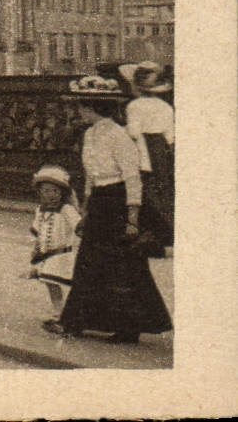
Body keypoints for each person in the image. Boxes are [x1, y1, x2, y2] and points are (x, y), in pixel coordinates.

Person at [49, 77, 172, 343]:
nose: (79, 111)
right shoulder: (90, 134)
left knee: (122, 265)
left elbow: (132, 178)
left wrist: (132, 217)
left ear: (93, 107)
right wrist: (85, 205)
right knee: (90, 263)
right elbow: (91, 175)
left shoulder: (119, 136)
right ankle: (78, 321)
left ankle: (129, 328)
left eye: (82, 106)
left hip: (118, 201)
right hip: (100, 203)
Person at [121, 62, 174, 248]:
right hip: (162, 151)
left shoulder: (135, 106)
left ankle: (145, 232)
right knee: (162, 190)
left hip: (143, 149)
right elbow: (170, 136)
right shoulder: (166, 107)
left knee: (142, 189)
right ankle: (165, 232)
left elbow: (134, 132)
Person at [25, 165, 82, 322]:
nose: (52, 195)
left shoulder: (66, 209)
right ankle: (59, 312)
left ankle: (65, 312)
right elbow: (37, 231)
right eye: (47, 191)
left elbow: (78, 226)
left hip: (62, 254)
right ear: (40, 192)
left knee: (54, 281)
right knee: (51, 283)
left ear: (62, 193)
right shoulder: (40, 210)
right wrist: (36, 247)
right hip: (47, 255)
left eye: (56, 191)